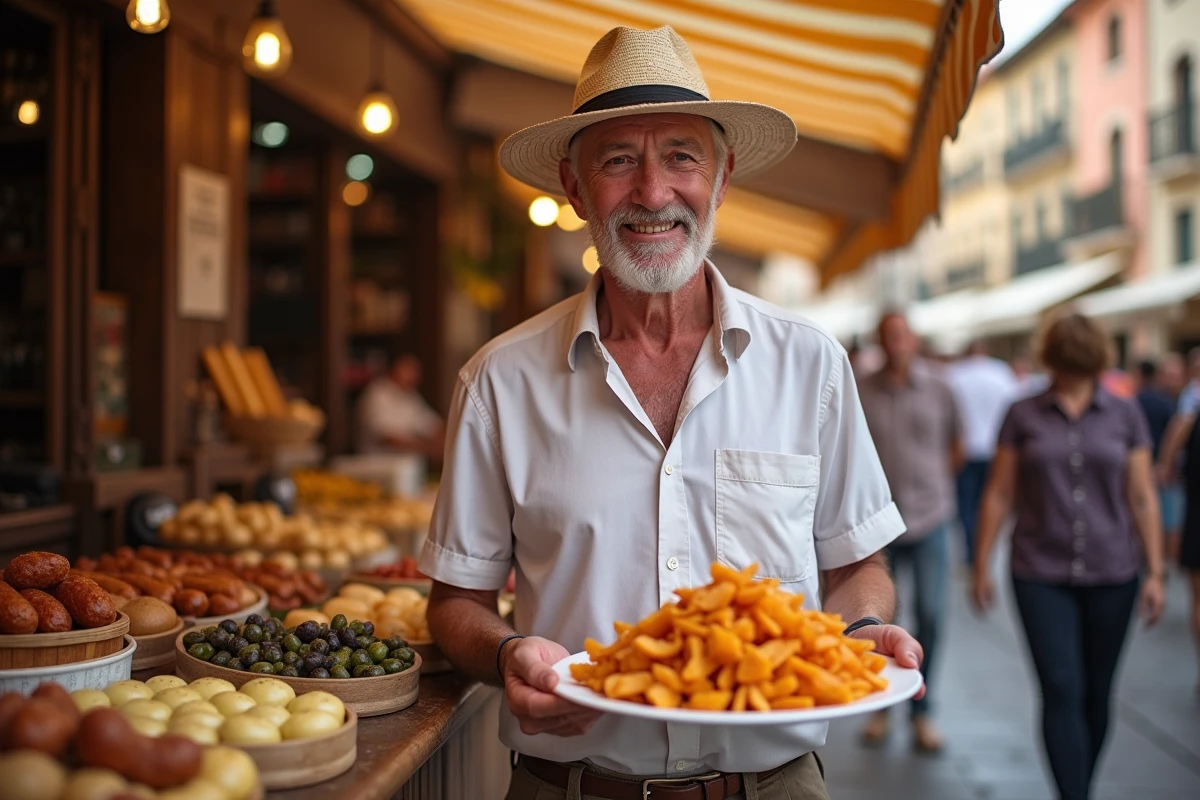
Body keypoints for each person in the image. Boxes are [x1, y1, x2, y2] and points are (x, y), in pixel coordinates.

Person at [419, 26, 923, 800]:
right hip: (569, 785)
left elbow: (857, 564)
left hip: (774, 785)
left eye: (682, 156)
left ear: (721, 180)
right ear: (576, 187)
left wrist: (857, 635)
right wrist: (507, 652)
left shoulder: (810, 364)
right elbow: (457, 600)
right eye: (619, 159)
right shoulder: (499, 382)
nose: (653, 193)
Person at [972, 314, 1165, 800]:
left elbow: (1142, 496)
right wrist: (981, 564)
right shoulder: (1022, 414)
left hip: (1113, 571)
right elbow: (998, 493)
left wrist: (1156, 571)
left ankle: (1082, 786)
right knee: (1061, 688)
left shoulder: (1125, 415)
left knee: (1097, 693)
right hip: (1040, 572)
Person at [857, 312, 962, 753]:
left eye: (902, 334)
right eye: (889, 335)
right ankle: (882, 706)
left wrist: (936, 486)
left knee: (933, 615)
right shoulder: (863, 389)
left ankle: (922, 711)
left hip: (931, 517)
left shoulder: (940, 387)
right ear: (881, 340)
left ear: (913, 339)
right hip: (882, 523)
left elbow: (958, 444)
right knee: (882, 621)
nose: (897, 341)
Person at [945, 342, 1018, 566]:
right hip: (995, 449)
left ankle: (972, 555)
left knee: (967, 507)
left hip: (967, 450)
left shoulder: (955, 375)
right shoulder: (1001, 373)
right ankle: (986, 554)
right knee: (990, 502)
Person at [1136, 358, 1183, 564]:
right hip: (1161, 468)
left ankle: (1148, 558)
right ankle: (1164, 561)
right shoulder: (1167, 403)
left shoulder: (1133, 402)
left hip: (1141, 466)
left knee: (1143, 510)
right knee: (1167, 518)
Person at [355, 354, 444, 459]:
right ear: (395, 369)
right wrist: (426, 446)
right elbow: (385, 437)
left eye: (415, 372)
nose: (413, 376)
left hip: (408, 463)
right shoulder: (377, 394)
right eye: (408, 370)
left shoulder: (411, 396)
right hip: (378, 463)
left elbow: (433, 426)